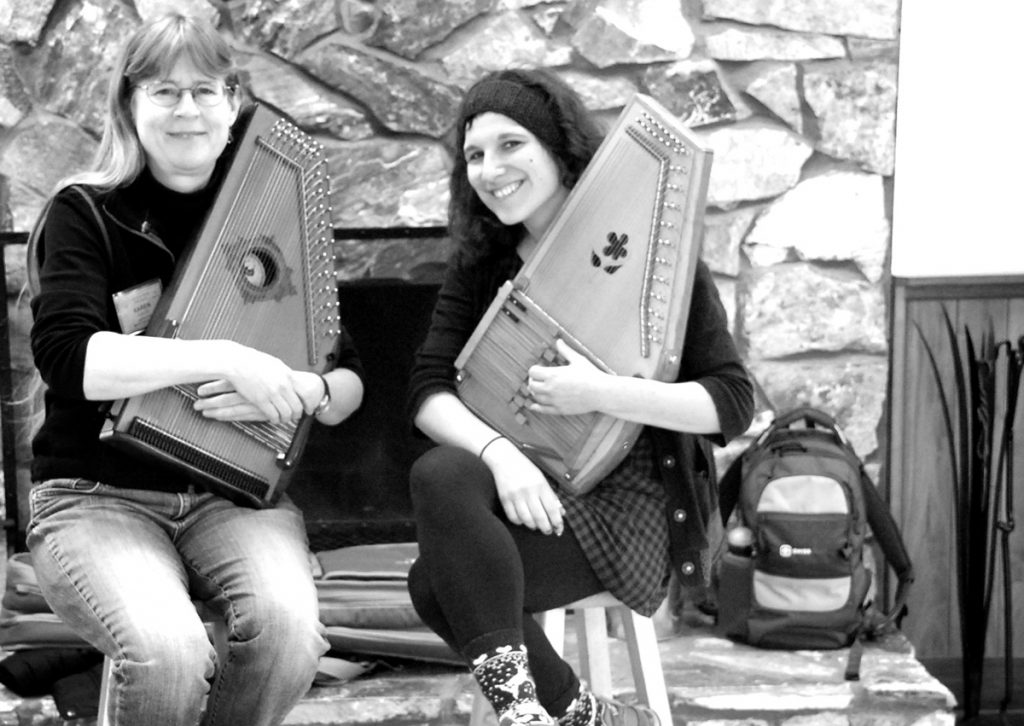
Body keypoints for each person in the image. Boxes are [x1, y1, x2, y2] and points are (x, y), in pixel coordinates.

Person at [25, 13, 364, 726]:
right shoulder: (84, 213)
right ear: (128, 104)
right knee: (168, 650)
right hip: (96, 496)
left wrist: (296, 390)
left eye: (205, 90)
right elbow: (69, 360)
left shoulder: (271, 211)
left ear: (234, 100)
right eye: (164, 92)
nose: (187, 110)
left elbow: (347, 381)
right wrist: (228, 359)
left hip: (231, 495)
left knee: (291, 635)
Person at [405, 69, 754, 726]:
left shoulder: (656, 257)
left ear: (558, 149)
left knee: (434, 584)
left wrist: (599, 393)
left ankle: (558, 712)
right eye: (475, 155)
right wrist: (502, 454)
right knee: (442, 472)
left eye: (511, 146)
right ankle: (547, 714)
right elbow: (426, 393)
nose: (490, 169)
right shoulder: (486, 260)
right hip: (535, 486)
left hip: (631, 506)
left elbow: (732, 404)